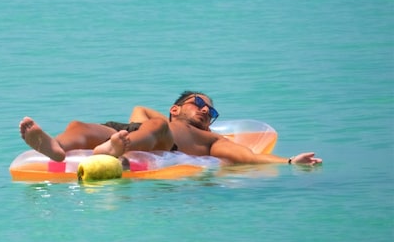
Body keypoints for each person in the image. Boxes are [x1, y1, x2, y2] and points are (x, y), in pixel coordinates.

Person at [18, 91, 322, 166]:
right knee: (80, 125)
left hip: (162, 142)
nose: (205, 110)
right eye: (199, 102)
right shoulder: (158, 118)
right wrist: (170, 116)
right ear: (176, 108)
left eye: (211, 111)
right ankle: (55, 147)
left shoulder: (209, 139)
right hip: (128, 131)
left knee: (156, 127)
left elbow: (245, 155)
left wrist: (289, 162)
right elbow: (142, 110)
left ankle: (115, 148)